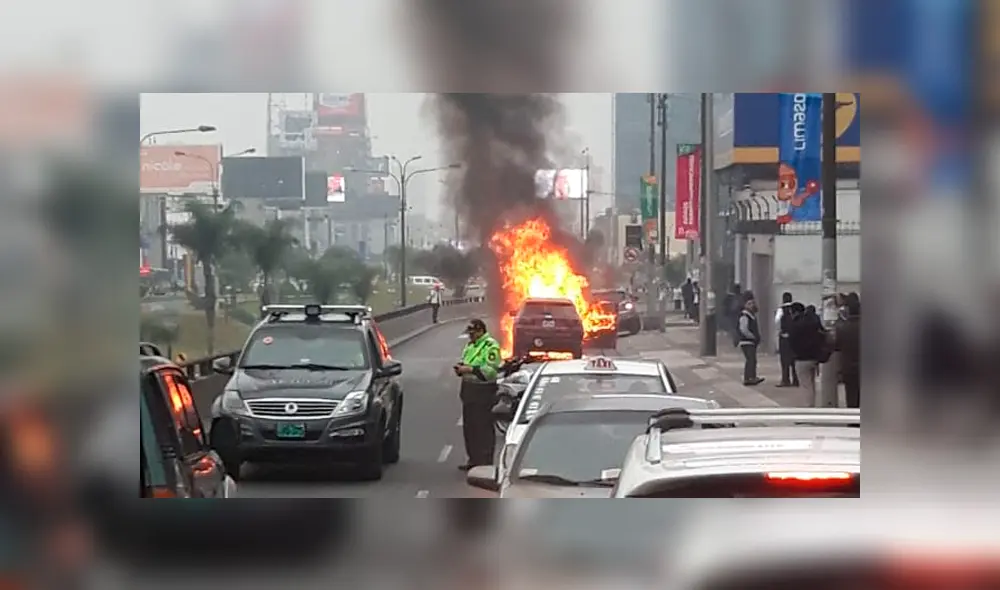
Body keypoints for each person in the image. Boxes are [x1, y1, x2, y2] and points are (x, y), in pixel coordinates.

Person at [453, 319, 502, 471]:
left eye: (473, 333)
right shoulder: (470, 345)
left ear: (480, 331)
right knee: (470, 427)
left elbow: (491, 371)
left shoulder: (491, 346)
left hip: (484, 390)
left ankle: (485, 462)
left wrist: (470, 370)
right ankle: (473, 460)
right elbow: (465, 361)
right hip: (468, 390)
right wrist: (460, 368)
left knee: (484, 427)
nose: (470, 337)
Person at [788, 303, 826, 406]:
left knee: (805, 385)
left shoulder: (795, 325)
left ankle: (808, 408)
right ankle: (811, 404)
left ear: (795, 312)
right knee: (811, 384)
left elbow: (791, 341)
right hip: (814, 357)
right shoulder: (812, 322)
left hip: (801, 359)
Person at [835, 293, 861, 408]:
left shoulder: (843, 328)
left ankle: (852, 421)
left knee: (851, 396)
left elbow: (836, 345)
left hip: (848, 367)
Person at [737, 297, 765, 385]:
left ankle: (752, 377)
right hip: (746, 342)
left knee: (752, 360)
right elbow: (744, 329)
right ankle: (748, 378)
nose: (752, 305)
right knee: (750, 359)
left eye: (753, 303)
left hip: (751, 342)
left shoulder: (752, 316)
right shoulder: (744, 316)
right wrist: (752, 336)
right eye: (749, 303)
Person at [775, 292, 799, 387]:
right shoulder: (795, 309)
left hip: (784, 337)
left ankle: (785, 380)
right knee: (794, 359)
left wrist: (780, 331)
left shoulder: (781, 310)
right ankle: (796, 380)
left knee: (785, 360)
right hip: (794, 337)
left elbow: (777, 321)